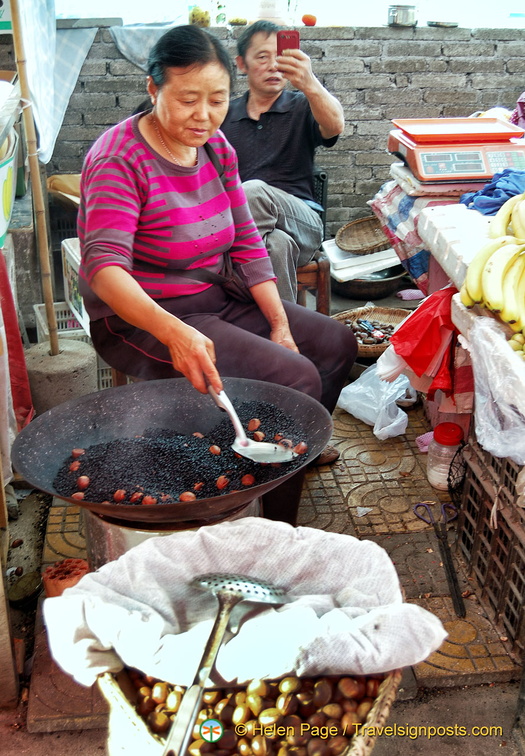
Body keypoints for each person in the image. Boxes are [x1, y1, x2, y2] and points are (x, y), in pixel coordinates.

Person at [78, 25, 357, 525]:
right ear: (152, 88)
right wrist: (176, 334)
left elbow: (249, 243)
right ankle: (274, 523)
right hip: (145, 317)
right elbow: (103, 270)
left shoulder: (216, 148)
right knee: (293, 375)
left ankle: (285, 454)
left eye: (217, 99)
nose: (203, 116)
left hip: (214, 297)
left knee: (336, 342)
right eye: (187, 100)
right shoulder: (119, 158)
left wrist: (279, 322)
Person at [221, 20, 344, 303]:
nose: (273, 65)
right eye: (263, 57)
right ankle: (284, 335)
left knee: (251, 191)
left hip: (303, 223)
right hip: (261, 233)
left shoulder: (303, 104)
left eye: (281, 56)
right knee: (276, 245)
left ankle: (231, 302)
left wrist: (309, 83)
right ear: (242, 63)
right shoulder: (225, 115)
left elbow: (335, 126)